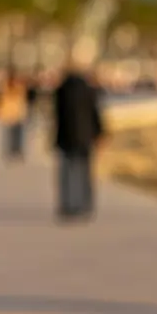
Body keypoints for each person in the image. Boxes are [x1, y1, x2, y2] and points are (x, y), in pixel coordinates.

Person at [51, 66, 106, 223]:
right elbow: (95, 114)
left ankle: (68, 205)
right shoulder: (89, 90)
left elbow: (57, 116)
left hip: (65, 138)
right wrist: (100, 134)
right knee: (84, 174)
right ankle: (84, 205)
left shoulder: (61, 91)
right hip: (85, 138)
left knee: (67, 175)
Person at [0, 68, 30, 163]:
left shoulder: (18, 87)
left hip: (17, 114)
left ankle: (17, 151)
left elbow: (22, 99)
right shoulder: (4, 87)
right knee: (10, 135)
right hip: (8, 114)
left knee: (18, 136)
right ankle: (10, 152)